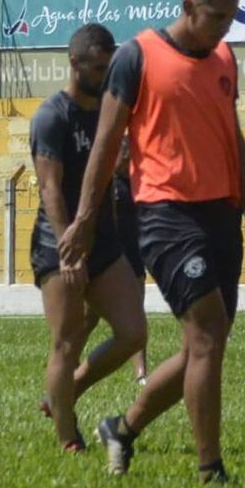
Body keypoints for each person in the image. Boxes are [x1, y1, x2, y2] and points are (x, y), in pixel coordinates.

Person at [58, 0, 245, 483]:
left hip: (220, 216)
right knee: (206, 334)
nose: (224, 29)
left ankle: (124, 428)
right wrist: (87, 219)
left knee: (204, 345)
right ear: (188, 7)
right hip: (163, 214)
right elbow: (107, 141)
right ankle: (211, 470)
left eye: (231, 20)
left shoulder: (225, 58)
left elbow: (235, 139)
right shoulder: (138, 57)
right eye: (216, 18)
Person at [29, 23, 147, 451]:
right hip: (57, 242)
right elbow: (50, 189)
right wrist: (68, 251)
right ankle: (67, 438)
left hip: (103, 240)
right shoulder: (51, 116)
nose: (104, 75)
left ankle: (68, 391)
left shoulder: (107, 110)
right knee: (66, 340)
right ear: (74, 63)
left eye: (108, 67)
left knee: (133, 333)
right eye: (97, 68)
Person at [82, 135, 149, 385]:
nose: (129, 157)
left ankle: (141, 373)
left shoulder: (137, 183)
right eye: (125, 153)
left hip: (133, 255)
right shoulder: (105, 184)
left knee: (137, 316)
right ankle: (70, 359)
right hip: (107, 258)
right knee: (89, 317)